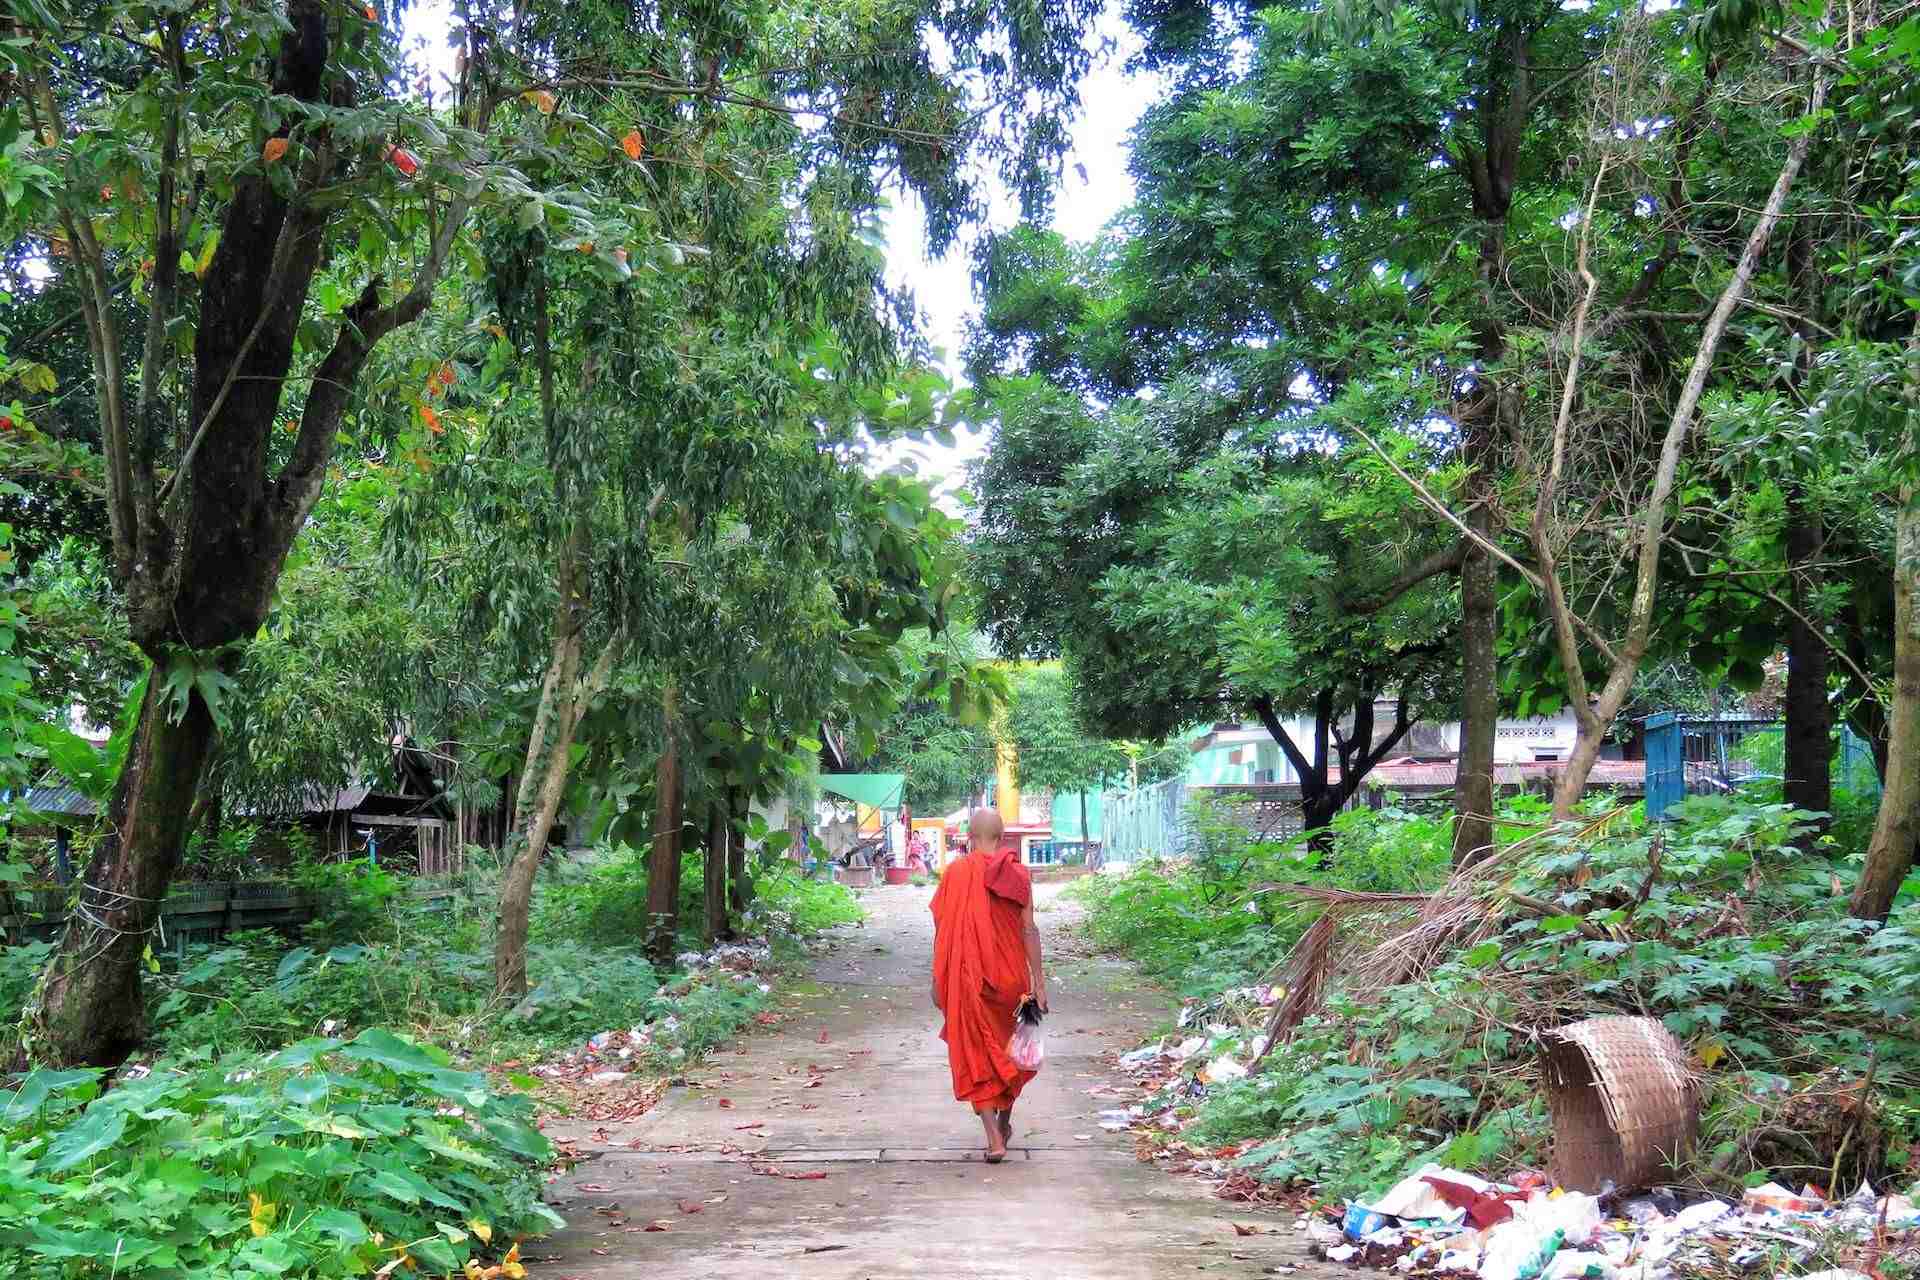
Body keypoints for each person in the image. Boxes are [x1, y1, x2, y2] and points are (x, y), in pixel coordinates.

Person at [929, 808, 1048, 1163]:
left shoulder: (955, 873)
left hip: (969, 978)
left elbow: (942, 931)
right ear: (1002, 837)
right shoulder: (1017, 873)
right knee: (1015, 1051)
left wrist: (938, 978)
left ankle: (994, 1136)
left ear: (968, 838)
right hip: (1013, 979)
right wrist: (1039, 982)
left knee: (976, 1051)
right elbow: (1029, 929)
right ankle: (1005, 1121)